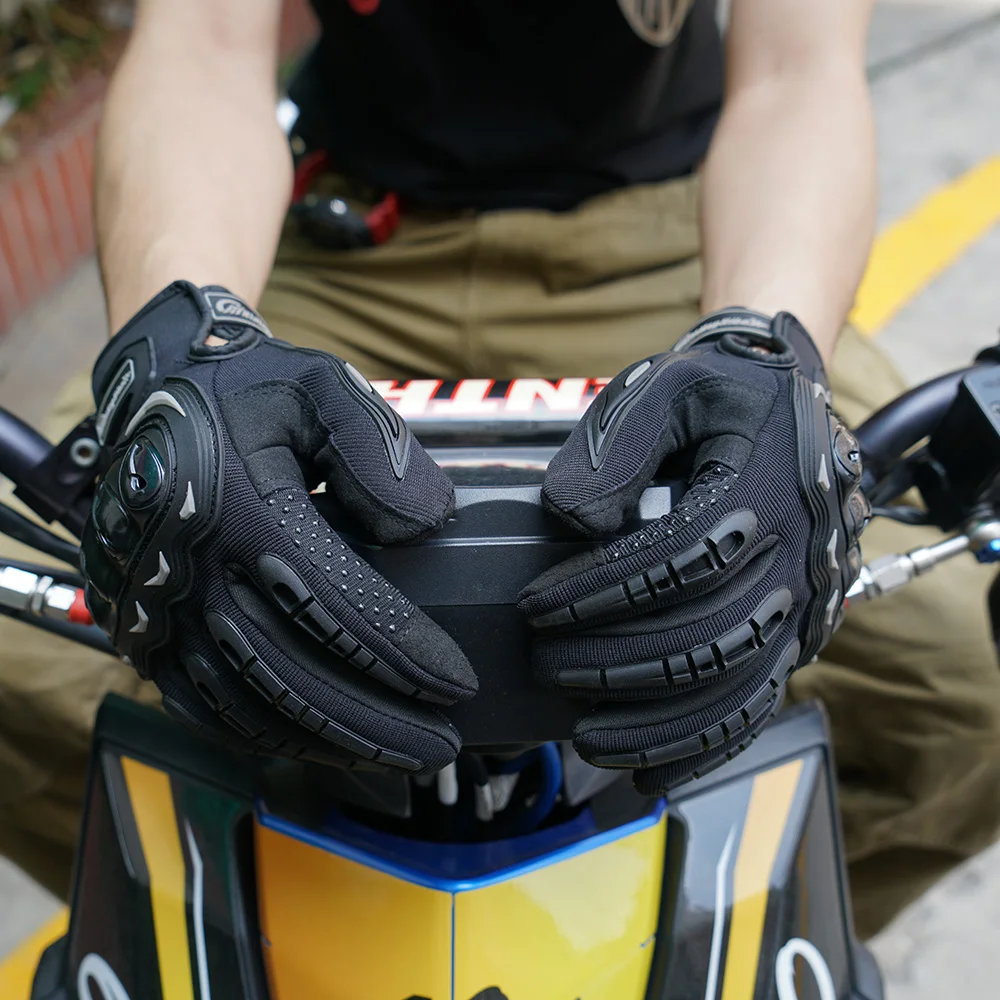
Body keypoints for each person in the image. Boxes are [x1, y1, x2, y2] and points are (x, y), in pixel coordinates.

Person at [2, 0, 999, 941]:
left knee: (969, 691)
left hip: (684, 243)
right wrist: (190, 359)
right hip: (336, 242)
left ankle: (698, 934)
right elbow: (202, 45)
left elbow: (797, 72)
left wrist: (760, 351)